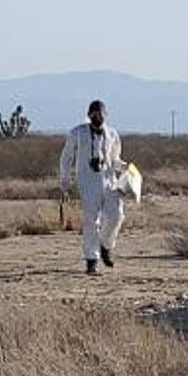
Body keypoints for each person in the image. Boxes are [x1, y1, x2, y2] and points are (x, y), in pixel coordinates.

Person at [59, 100, 126, 275]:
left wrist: (125, 168)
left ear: (106, 114)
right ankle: (91, 259)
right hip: (88, 180)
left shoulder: (112, 134)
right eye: (94, 114)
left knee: (116, 215)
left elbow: (115, 159)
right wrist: (65, 178)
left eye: (100, 113)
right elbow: (66, 156)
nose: (97, 116)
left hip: (109, 179)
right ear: (89, 115)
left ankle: (105, 245)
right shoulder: (78, 132)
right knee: (91, 220)